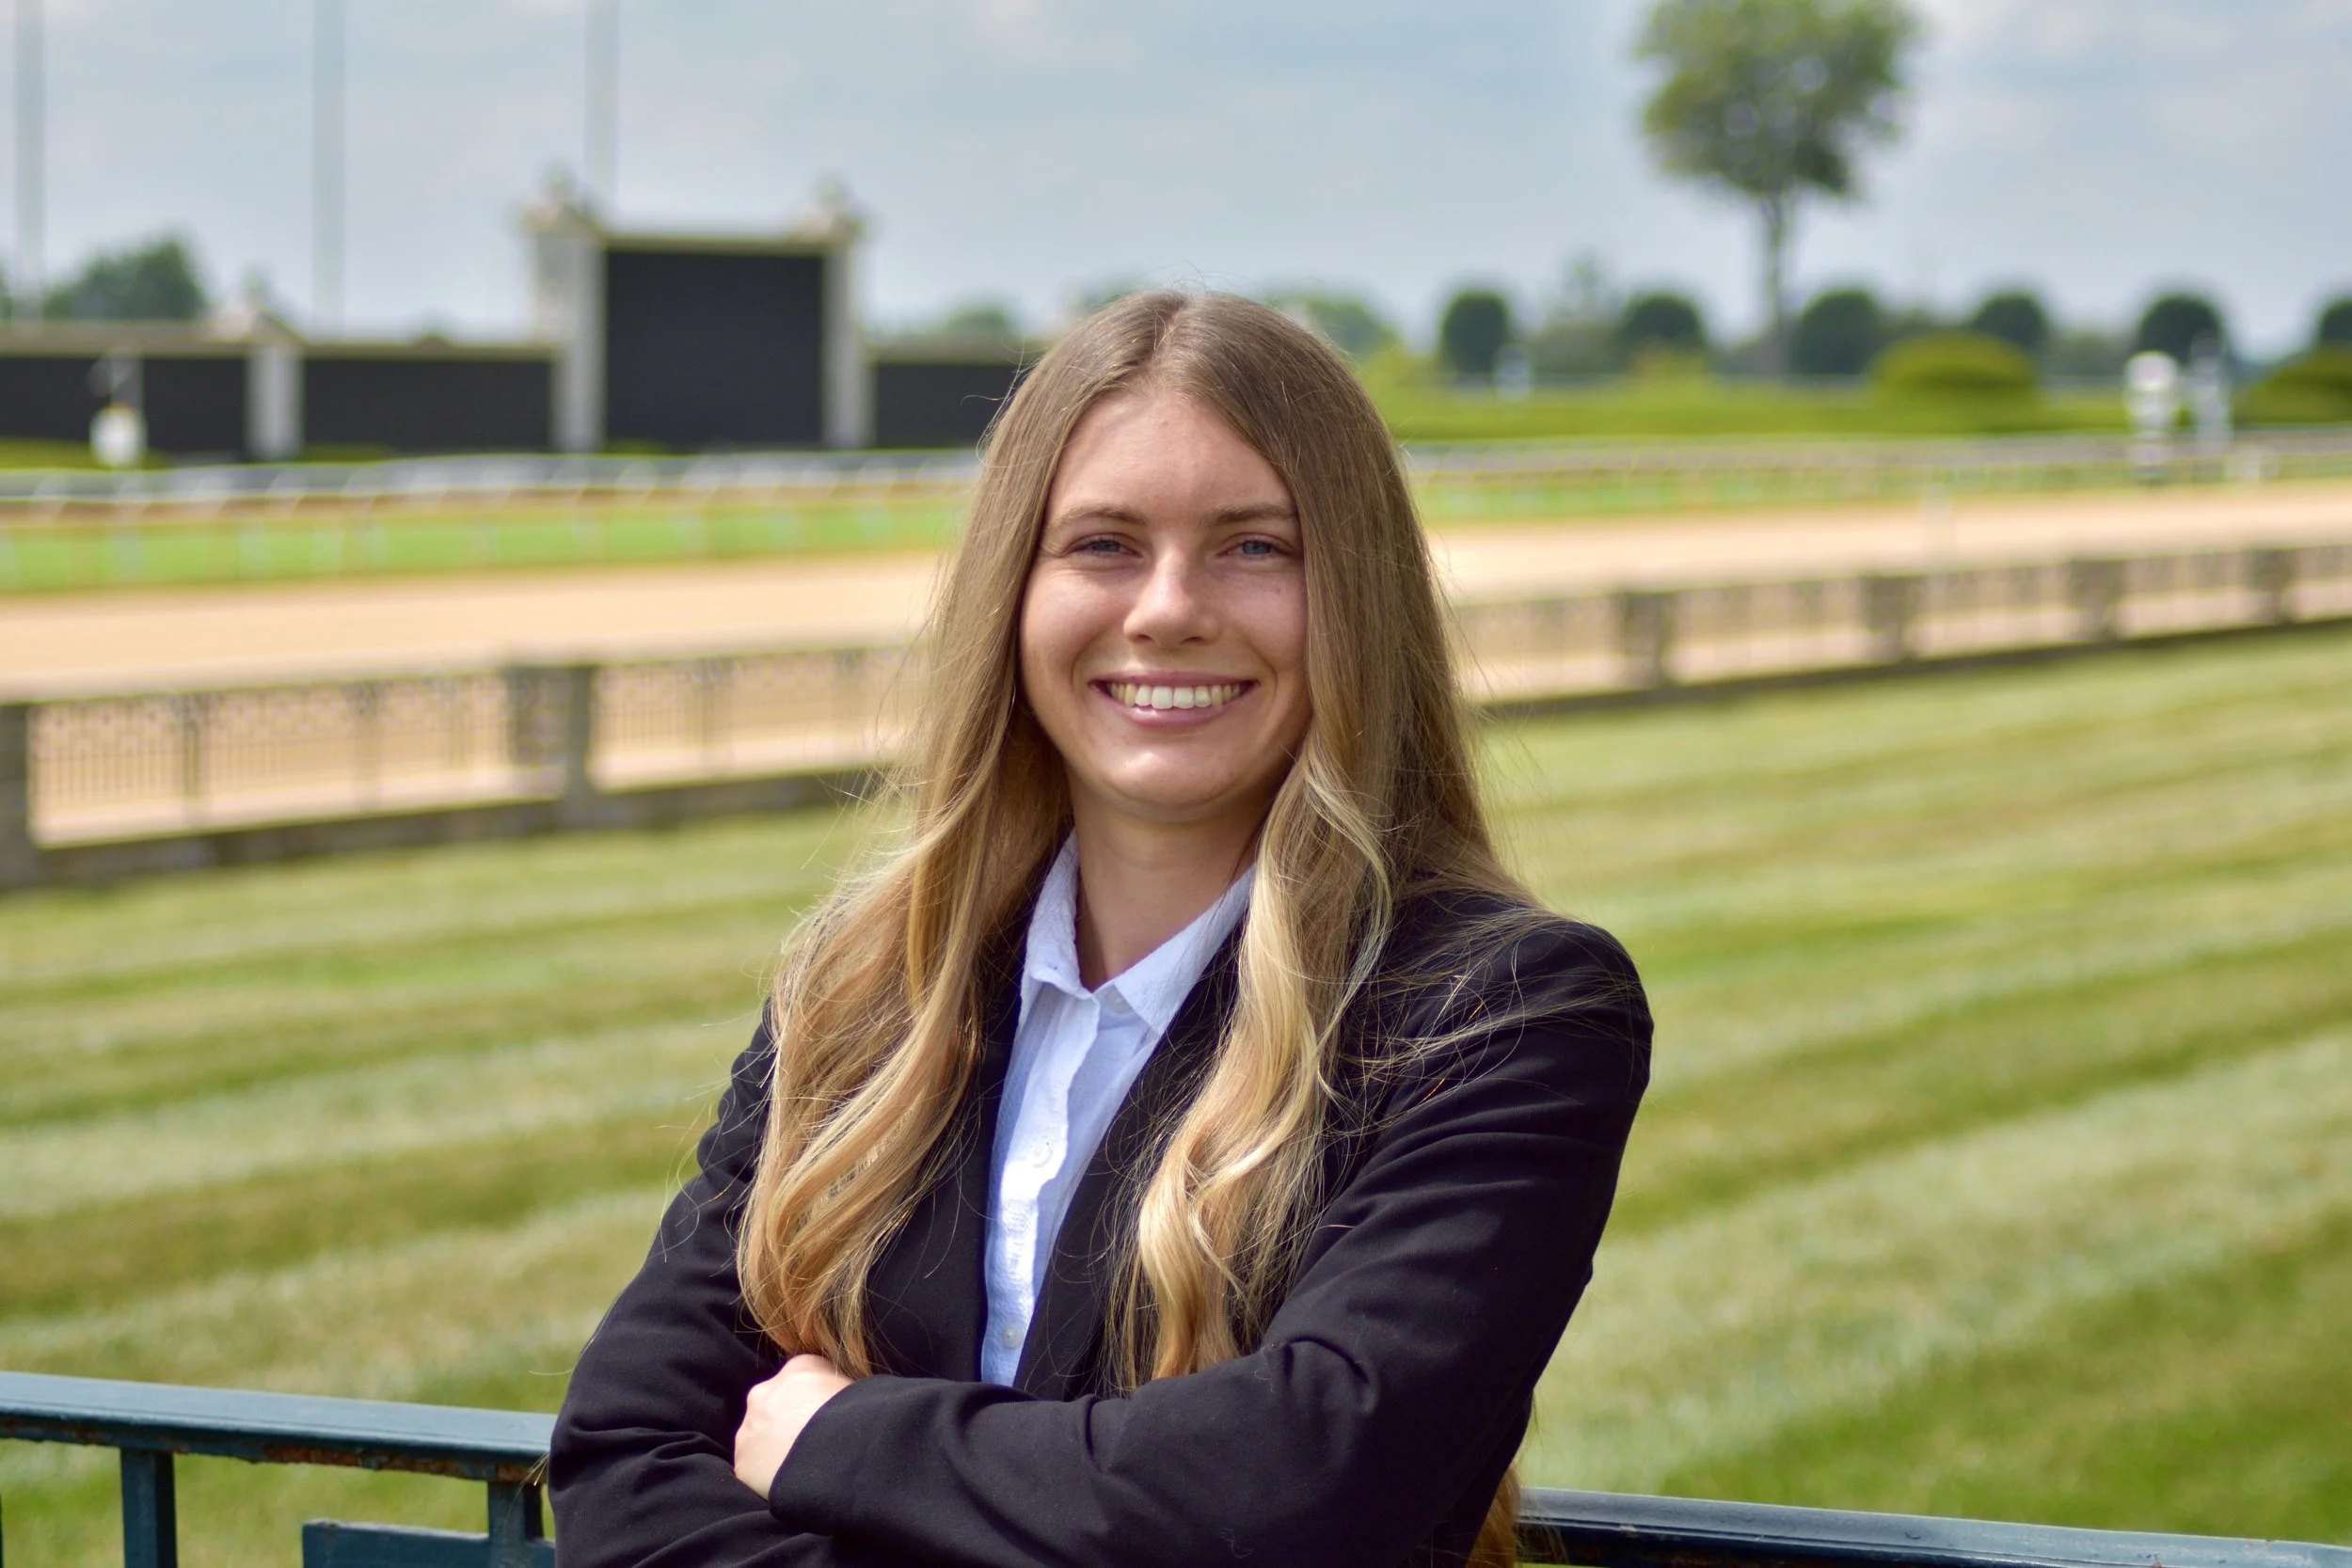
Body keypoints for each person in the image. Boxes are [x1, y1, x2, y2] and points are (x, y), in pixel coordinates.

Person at [550, 292, 1651, 1568]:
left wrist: (841, 1436)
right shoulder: (864, 994)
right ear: (1013, 593)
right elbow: (625, 1453)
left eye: (1255, 546)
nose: (1169, 606)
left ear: (1358, 596)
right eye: (1103, 545)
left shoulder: (1502, 1013)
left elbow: (1300, 1487)